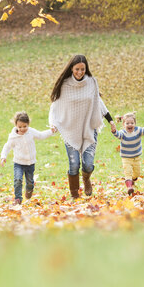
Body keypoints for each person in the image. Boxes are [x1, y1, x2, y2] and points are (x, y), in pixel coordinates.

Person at [49, 54, 116, 199]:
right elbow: (55, 106)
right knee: (74, 165)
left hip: (89, 129)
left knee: (88, 165)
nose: (80, 72)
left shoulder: (91, 82)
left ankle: (86, 179)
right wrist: (53, 124)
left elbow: (98, 101)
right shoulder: (65, 85)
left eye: (83, 69)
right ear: (71, 68)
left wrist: (110, 120)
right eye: (77, 69)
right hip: (71, 130)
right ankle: (75, 195)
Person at [0, 111, 56, 204]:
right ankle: (18, 198)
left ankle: (29, 191)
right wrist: (3, 156)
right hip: (18, 163)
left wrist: (51, 131)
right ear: (16, 125)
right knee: (18, 179)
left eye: (25, 126)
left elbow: (41, 135)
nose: (22, 129)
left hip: (30, 163)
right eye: (20, 127)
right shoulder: (13, 137)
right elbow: (7, 146)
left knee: (30, 182)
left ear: (28, 124)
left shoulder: (31, 132)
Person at [111, 112, 144, 195]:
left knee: (137, 174)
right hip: (126, 158)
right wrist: (114, 131)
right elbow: (117, 135)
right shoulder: (123, 133)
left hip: (136, 158)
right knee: (127, 172)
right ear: (123, 124)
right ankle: (129, 187)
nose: (130, 125)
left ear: (135, 124)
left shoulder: (138, 131)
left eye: (132, 123)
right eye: (127, 123)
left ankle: (132, 181)